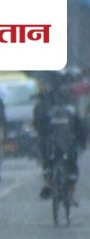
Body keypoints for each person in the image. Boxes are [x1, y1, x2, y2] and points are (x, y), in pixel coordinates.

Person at [33, 72, 86, 206]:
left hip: (54, 141)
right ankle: (68, 192)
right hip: (63, 141)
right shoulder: (69, 100)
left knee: (49, 161)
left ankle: (50, 183)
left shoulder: (47, 101)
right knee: (70, 165)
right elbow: (80, 126)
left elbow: (40, 124)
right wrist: (81, 142)